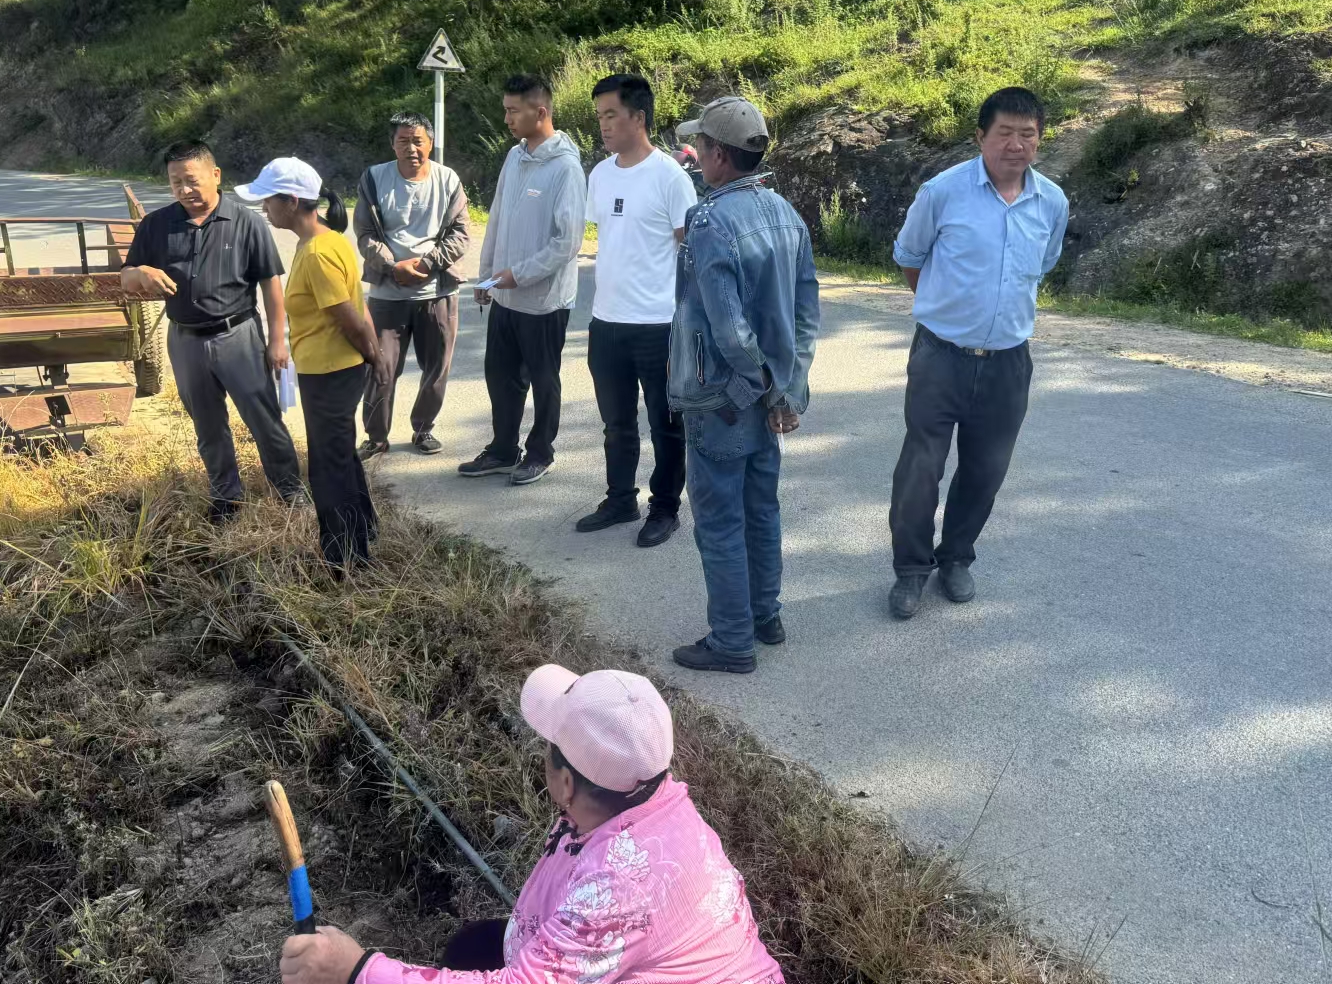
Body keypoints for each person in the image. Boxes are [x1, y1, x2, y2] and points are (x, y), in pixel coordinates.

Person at [276, 664, 785, 984]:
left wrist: (357, 970)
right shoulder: (651, 799)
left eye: (549, 748)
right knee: (474, 947)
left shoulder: (618, 888)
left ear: (565, 783)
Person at [886, 87, 1069, 620]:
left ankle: (956, 558)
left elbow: (1044, 263)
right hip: (940, 356)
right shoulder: (942, 192)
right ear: (981, 137)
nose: (1016, 144)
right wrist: (946, 312)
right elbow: (910, 258)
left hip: (1009, 362)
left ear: (1039, 139)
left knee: (986, 470)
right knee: (921, 468)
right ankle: (910, 569)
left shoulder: (1051, 201)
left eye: (1027, 134)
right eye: (1004, 133)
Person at [666, 97, 820, 675]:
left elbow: (728, 327)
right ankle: (764, 615)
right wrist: (786, 390)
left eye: (701, 145)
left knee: (720, 521)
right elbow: (806, 314)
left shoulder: (710, 221)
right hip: (768, 393)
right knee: (761, 508)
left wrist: (756, 386)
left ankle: (732, 640)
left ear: (718, 155)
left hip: (723, 396)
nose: (697, 154)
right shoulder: (786, 211)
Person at [120, 140, 304, 523]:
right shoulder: (157, 225)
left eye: (192, 180)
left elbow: (271, 283)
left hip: (238, 337)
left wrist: (277, 341)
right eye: (176, 182)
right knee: (207, 425)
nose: (184, 190)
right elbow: (126, 278)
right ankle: (226, 497)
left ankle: (290, 490)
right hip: (185, 340)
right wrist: (142, 273)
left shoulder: (246, 222)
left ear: (215, 175)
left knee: (263, 419)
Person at [238, 158, 392, 570]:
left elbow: (350, 317)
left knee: (327, 468)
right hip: (331, 370)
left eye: (268, 200)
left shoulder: (318, 253)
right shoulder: (327, 240)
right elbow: (358, 307)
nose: (264, 209)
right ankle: (364, 532)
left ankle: (346, 559)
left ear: (291, 202)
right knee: (340, 455)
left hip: (330, 373)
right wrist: (373, 356)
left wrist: (375, 356)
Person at [577, 74, 697, 548]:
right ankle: (620, 499)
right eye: (599, 116)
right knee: (616, 422)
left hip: (658, 325)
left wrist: (688, 323)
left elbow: (690, 255)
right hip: (607, 321)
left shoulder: (670, 177)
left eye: (611, 115)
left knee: (666, 425)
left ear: (638, 117)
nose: (603, 125)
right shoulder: (601, 174)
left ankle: (665, 508)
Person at [457, 74, 586, 488]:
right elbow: (496, 218)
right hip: (506, 296)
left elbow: (568, 241)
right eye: (505, 110)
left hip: (544, 301)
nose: (507, 119)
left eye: (513, 111)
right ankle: (502, 450)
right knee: (500, 377)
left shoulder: (565, 168)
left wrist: (520, 274)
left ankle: (540, 453)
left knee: (544, 381)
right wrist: (487, 277)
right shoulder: (515, 157)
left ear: (540, 112)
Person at [353, 112, 472, 460]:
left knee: (437, 368)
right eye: (403, 141)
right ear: (392, 144)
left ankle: (424, 429)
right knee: (380, 367)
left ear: (430, 143)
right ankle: (376, 437)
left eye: (418, 140)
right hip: (387, 294)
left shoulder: (448, 180)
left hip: (438, 292)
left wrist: (426, 264)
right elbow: (365, 234)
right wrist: (393, 267)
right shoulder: (374, 178)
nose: (411, 148)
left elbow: (461, 234)